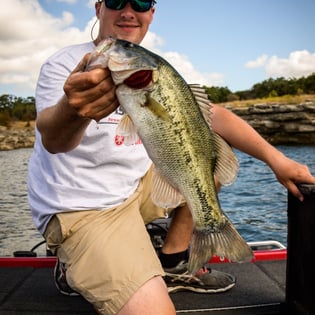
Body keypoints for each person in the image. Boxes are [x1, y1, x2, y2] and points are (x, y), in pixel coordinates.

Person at [27, 0, 315, 314]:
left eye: (139, 2)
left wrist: (277, 160)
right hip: (83, 207)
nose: (127, 11)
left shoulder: (159, 71)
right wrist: (72, 109)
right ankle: (76, 262)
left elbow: (214, 116)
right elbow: (53, 139)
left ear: (151, 12)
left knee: (204, 159)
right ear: (98, 8)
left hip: (134, 188)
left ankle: (174, 260)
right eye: (114, 1)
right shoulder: (64, 65)